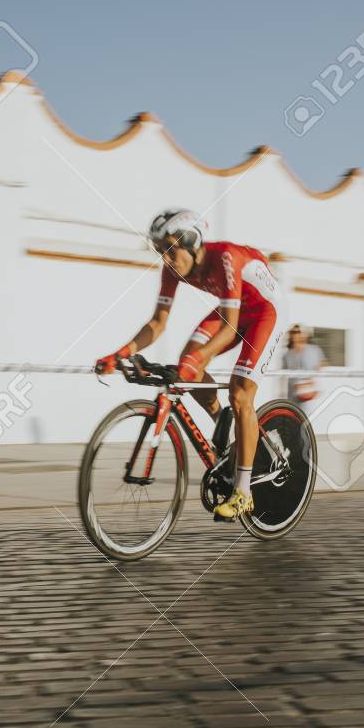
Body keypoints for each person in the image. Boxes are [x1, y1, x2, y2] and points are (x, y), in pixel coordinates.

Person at [96, 208, 283, 521]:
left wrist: (200, 357)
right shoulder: (172, 270)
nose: (165, 259)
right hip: (234, 312)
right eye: (159, 251)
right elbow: (157, 323)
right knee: (189, 361)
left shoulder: (224, 257)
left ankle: (243, 494)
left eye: (169, 249)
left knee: (240, 393)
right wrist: (121, 353)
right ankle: (222, 422)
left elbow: (229, 326)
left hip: (265, 311)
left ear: (192, 241)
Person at [282, 325, 325, 411]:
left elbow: (320, 366)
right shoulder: (287, 355)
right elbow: (285, 375)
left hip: (309, 394)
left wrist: (309, 380)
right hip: (293, 394)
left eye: (298, 332)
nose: (296, 335)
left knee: (308, 420)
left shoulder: (314, 350)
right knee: (294, 419)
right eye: (293, 332)